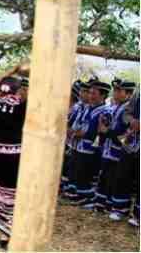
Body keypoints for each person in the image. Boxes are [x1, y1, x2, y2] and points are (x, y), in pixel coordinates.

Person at [0, 77, 27, 248]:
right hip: (15, 156)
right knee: (13, 193)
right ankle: (8, 233)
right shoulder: (24, 106)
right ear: (18, 90)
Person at [91, 80, 136, 213]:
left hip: (119, 153)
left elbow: (126, 134)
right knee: (104, 178)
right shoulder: (116, 107)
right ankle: (101, 205)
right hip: (108, 150)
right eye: (115, 90)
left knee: (115, 181)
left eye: (119, 90)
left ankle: (116, 208)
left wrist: (107, 131)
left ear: (128, 94)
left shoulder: (128, 110)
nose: (115, 93)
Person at [67, 80, 111, 207]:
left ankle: (87, 197)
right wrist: (73, 131)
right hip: (78, 145)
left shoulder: (105, 111)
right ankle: (77, 195)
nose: (90, 96)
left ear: (102, 96)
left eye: (94, 93)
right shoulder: (88, 108)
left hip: (90, 148)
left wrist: (79, 133)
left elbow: (96, 132)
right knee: (75, 171)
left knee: (85, 173)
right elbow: (79, 123)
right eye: (90, 92)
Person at [108, 88, 139, 225]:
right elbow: (127, 112)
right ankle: (120, 209)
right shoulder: (138, 93)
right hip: (130, 142)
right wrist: (131, 121)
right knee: (123, 175)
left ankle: (138, 216)